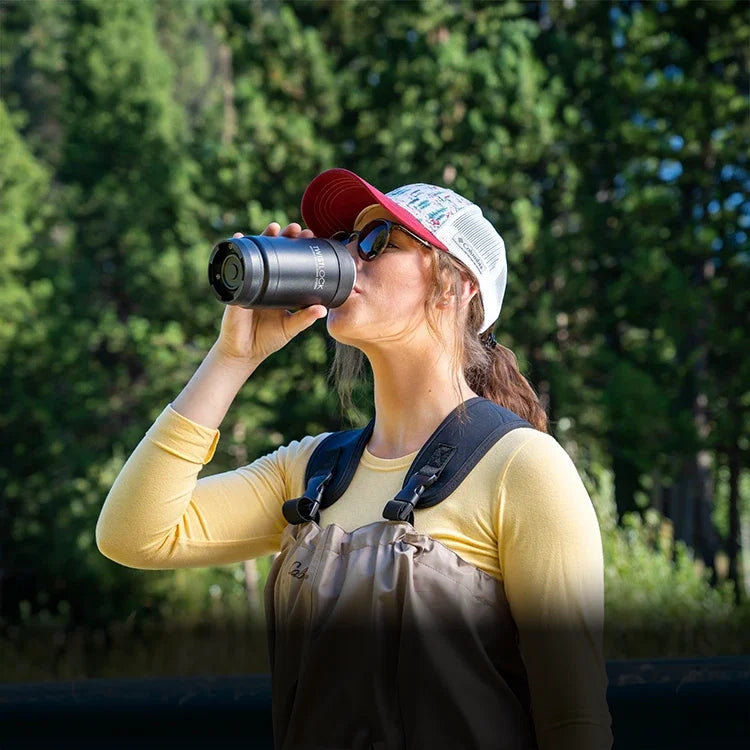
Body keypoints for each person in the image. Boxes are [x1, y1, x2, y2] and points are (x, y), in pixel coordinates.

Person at [96, 168, 614, 750]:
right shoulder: (315, 472)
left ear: (456, 285)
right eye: (344, 242)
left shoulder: (522, 467)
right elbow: (133, 534)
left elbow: (575, 723)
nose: (348, 257)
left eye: (375, 242)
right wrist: (233, 356)